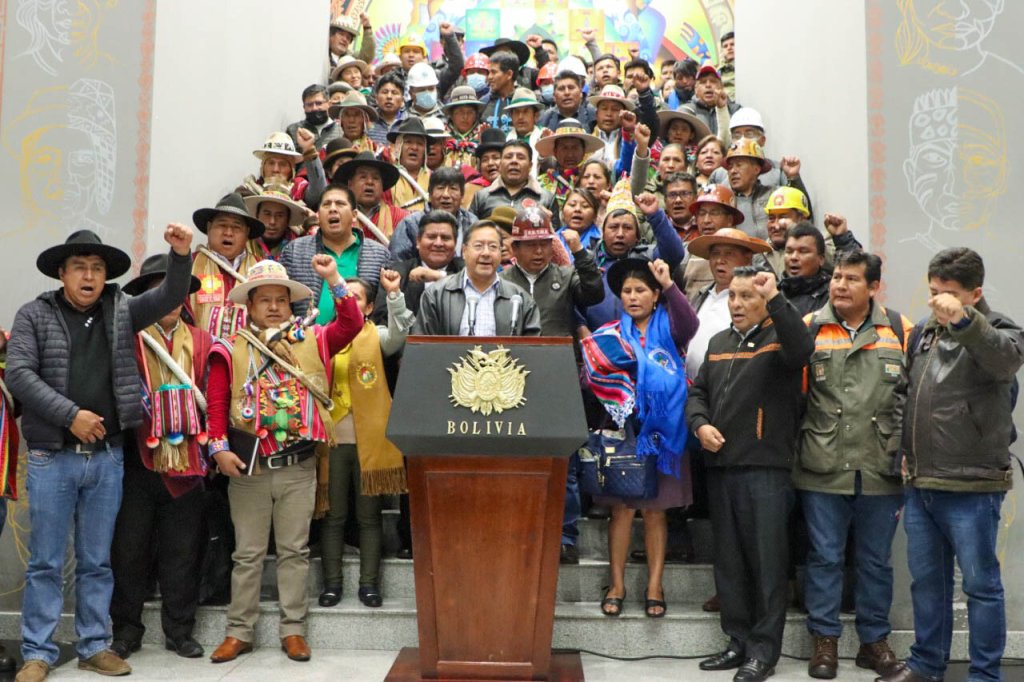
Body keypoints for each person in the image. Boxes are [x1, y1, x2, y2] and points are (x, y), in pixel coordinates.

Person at [7, 225, 195, 682]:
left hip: (108, 457)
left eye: (96, 268)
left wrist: (181, 254)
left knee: (97, 561)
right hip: (52, 457)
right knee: (46, 562)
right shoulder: (34, 314)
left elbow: (171, 294)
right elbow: (19, 374)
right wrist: (71, 415)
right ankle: (38, 652)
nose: (89, 276)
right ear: (62, 273)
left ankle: (94, 645)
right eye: (79, 268)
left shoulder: (122, 310)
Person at [205, 258, 363, 665]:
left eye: (281, 299)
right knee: (247, 554)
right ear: (250, 306)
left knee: (294, 551)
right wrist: (218, 448)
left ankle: (294, 630)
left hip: (298, 466)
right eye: (265, 300)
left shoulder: (314, 340)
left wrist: (334, 279)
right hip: (249, 469)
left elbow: (352, 324)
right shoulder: (229, 348)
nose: (274, 307)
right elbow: (217, 404)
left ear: (291, 304)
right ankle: (239, 631)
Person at [880, 248, 1023, 682]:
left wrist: (964, 322)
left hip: (972, 485)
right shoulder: (924, 332)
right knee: (927, 583)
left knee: (980, 586)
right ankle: (926, 664)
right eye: (933, 292)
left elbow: (1004, 360)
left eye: (949, 294)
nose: (938, 302)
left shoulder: (999, 329)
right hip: (920, 481)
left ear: (975, 293)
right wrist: (899, 452)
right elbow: (903, 395)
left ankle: (985, 674)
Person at [687, 266, 814, 682]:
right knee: (730, 563)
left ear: (765, 302)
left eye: (747, 297)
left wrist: (776, 298)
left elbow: (803, 349)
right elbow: (698, 393)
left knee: (767, 564)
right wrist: (700, 424)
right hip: (722, 468)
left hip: (766, 469)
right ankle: (737, 641)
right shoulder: (719, 342)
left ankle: (763, 651)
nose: (737, 304)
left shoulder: (780, 339)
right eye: (733, 296)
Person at [797, 251, 910, 680]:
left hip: (881, 465)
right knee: (824, 558)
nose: (840, 285)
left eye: (852, 279)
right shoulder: (810, 327)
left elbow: (914, 395)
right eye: (837, 277)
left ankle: (873, 641)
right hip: (823, 463)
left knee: (876, 561)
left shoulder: (899, 329)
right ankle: (824, 639)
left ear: (873, 287)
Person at [581, 258, 698, 617]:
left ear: (655, 295)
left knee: (654, 512)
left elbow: (690, 324)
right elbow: (590, 376)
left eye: (641, 290)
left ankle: (654, 586)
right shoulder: (609, 334)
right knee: (621, 511)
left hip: (664, 434)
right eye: (627, 291)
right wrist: (614, 383)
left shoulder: (671, 329)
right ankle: (616, 584)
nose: (632, 297)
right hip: (624, 432)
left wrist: (670, 284)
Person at [110, 254, 211, 662]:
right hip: (137, 460)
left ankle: (180, 631)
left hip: (188, 464)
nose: (169, 299)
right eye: (159, 291)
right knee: (129, 552)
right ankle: (125, 631)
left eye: (176, 290)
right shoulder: (127, 340)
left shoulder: (203, 342)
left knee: (183, 552)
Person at [318, 271, 412, 609]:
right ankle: (332, 585)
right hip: (332, 442)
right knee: (334, 517)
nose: (348, 301)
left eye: (357, 298)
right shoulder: (322, 336)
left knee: (369, 517)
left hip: (369, 441)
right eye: (343, 296)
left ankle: (369, 584)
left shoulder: (377, 335)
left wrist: (395, 294)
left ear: (369, 307)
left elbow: (401, 333)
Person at [582, 180, 685, 331]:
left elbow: (675, 253)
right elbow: (572, 303)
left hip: (644, 339)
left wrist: (655, 215)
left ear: (637, 235)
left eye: (627, 228)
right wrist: (581, 328)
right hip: (596, 340)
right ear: (602, 232)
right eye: (613, 227)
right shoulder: (588, 261)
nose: (620, 234)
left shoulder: (648, 257)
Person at [281, 184, 392, 320]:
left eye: (340, 204)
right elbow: (282, 300)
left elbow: (383, 309)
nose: (333, 209)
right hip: (307, 332)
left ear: (354, 215)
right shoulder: (295, 251)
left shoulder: (379, 254)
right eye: (326, 204)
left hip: (363, 333)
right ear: (318, 215)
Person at [413, 221, 541, 336]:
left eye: (493, 247)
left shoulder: (520, 299)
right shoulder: (436, 294)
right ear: (464, 251)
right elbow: (423, 345)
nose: (486, 253)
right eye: (478, 246)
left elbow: (532, 348)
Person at [188, 193, 265, 338]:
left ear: (247, 233)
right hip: (199, 350)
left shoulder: (262, 269)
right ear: (209, 227)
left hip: (249, 350)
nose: (228, 233)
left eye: (236, 227)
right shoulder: (189, 265)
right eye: (222, 225)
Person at [388, 167, 478, 261]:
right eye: (440, 188)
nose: (446, 195)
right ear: (430, 195)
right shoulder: (410, 223)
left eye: (453, 188)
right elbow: (397, 262)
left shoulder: (472, 223)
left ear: (462, 196)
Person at [468, 140, 560, 225]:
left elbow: (556, 235)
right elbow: (470, 232)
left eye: (520, 157)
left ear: (530, 166)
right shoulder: (481, 197)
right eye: (508, 157)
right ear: (500, 164)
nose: (514, 161)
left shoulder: (546, 198)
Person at [333, 151, 408, 242]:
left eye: (375, 178)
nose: (370, 182)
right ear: (350, 184)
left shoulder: (401, 218)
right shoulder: (336, 215)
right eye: (363, 177)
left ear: (382, 186)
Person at [535, 118, 604, 207]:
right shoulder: (540, 184)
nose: (570, 154)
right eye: (564, 148)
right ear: (555, 151)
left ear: (584, 151)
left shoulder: (591, 181)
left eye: (575, 148)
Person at [244, 187, 307, 261]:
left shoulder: (300, 250)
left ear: (288, 219)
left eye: (279, 215)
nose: (272, 221)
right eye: (267, 214)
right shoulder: (243, 246)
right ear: (257, 215)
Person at [385, 117, 432, 214]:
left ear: (425, 151)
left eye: (420, 143)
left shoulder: (434, 178)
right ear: (398, 147)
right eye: (408, 142)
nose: (414, 147)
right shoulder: (387, 179)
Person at [285, 84, 341, 153]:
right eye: (309, 105)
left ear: (329, 104)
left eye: (319, 103)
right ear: (304, 107)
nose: (314, 108)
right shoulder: (293, 130)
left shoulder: (340, 130)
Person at [538, 66, 596, 132]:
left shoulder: (592, 114)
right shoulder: (545, 119)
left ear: (580, 93)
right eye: (561, 89)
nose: (567, 93)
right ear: (554, 96)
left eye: (571, 88)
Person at [442, 85, 486, 169]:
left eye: (470, 112)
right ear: (451, 114)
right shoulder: (442, 135)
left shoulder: (483, 134)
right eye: (460, 112)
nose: (465, 117)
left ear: (476, 115)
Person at [462, 127, 506, 209]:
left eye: (496, 158)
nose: (490, 163)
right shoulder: (469, 189)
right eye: (485, 160)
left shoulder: (516, 187)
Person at [368, 72, 406, 146]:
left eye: (394, 93)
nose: (389, 96)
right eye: (384, 92)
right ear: (376, 98)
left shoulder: (409, 122)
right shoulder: (368, 121)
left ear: (402, 100)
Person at [719, 31, 736, 100]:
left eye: (732, 44)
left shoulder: (746, 67)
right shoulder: (717, 71)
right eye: (725, 46)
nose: (729, 48)